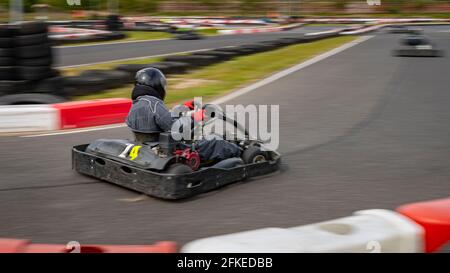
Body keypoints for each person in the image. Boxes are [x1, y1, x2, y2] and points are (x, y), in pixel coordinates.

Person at [126, 67, 241, 163]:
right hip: (168, 149)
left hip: (148, 146)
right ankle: (242, 152)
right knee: (215, 140)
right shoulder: (154, 104)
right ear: (156, 85)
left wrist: (183, 107)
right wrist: (195, 117)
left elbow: (163, 119)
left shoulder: (137, 104)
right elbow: (176, 128)